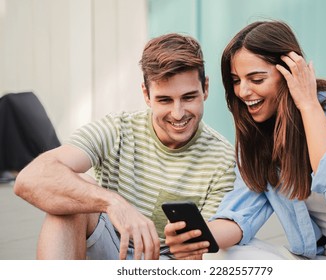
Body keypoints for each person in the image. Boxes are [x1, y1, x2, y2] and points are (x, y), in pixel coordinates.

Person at [165, 20, 326, 260]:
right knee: (219, 256)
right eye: (236, 81)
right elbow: (241, 215)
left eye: (257, 79)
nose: (242, 92)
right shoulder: (261, 141)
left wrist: (308, 103)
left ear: (291, 74)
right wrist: (199, 238)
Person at [13, 33, 236, 260]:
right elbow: (28, 179)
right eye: (164, 100)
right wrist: (114, 203)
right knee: (74, 194)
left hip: (170, 264)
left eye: (189, 97)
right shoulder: (117, 129)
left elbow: (202, 254)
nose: (178, 114)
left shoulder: (222, 158)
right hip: (110, 249)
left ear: (205, 89)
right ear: (146, 95)